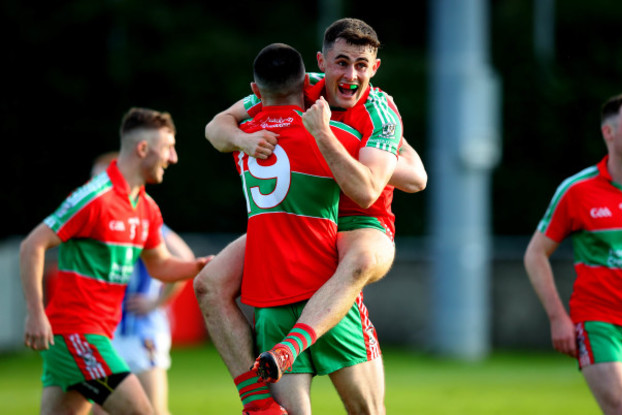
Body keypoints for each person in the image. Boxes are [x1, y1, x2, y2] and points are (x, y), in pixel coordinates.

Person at [194, 17, 425, 414]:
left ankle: (289, 349)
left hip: (360, 219)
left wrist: (325, 137)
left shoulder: (380, 109)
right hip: (299, 217)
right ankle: (257, 401)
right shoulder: (298, 87)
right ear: (322, 61)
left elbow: (377, 189)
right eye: (341, 62)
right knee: (208, 285)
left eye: (361, 65)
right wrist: (244, 139)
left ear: (375, 69)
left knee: (361, 259)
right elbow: (217, 126)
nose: (350, 74)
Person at [20, 107, 212, 415]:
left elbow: (160, 265)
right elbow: (33, 244)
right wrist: (35, 313)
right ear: (143, 149)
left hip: (92, 336)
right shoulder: (94, 197)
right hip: (78, 335)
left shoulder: (145, 207)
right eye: (168, 148)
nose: (173, 158)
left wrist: (201, 267)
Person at [234, 41, 384, 415]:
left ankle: (253, 395)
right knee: (368, 411)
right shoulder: (340, 140)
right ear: (306, 83)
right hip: (327, 296)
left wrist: (238, 135)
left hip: (270, 302)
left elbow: (216, 130)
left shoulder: (244, 144)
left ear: (256, 92)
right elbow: (379, 185)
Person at [524, 93, 622, 415]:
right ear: (609, 133)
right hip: (599, 321)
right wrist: (558, 319)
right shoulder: (578, 189)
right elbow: (535, 254)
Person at [88, 152, 195, 415]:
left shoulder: (139, 214)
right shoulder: (92, 219)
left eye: (102, 178)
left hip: (140, 330)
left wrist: (157, 302)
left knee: (153, 410)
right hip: (104, 332)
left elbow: (185, 258)